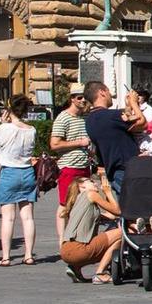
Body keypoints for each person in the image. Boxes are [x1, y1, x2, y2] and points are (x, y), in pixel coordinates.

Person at [0, 97, 41, 266]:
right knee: (28, 217)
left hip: (9, 172)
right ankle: (29, 255)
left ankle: (6, 257)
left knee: (8, 218)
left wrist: (0, 125)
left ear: (9, 110)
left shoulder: (5, 128)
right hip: (27, 172)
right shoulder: (31, 130)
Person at [59, 165, 123, 284]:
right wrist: (108, 192)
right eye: (90, 181)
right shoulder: (90, 194)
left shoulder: (77, 203)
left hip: (66, 250)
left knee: (111, 237)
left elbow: (112, 216)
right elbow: (117, 211)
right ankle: (100, 273)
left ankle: (75, 268)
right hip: (79, 249)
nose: (94, 183)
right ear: (81, 186)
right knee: (122, 234)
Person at [81, 82, 143, 195]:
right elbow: (142, 123)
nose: (110, 95)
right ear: (102, 92)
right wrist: (134, 103)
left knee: (125, 207)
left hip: (113, 171)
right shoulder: (112, 115)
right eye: (108, 91)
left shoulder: (90, 120)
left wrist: (128, 106)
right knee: (135, 207)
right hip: (127, 170)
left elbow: (119, 126)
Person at [49, 90, 93, 237]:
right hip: (68, 167)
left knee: (83, 203)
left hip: (85, 166)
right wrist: (79, 142)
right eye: (79, 98)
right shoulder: (63, 118)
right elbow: (54, 144)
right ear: (72, 99)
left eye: (85, 98)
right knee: (65, 204)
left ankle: (76, 235)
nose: (83, 100)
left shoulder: (86, 117)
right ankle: (62, 239)